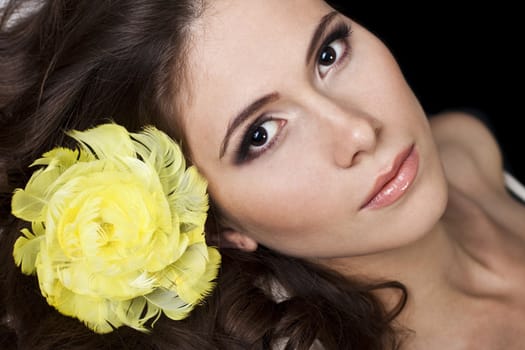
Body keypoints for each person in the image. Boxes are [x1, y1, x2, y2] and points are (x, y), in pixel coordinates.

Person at [1, 0, 524, 349]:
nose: (359, 132)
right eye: (260, 135)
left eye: (328, 53)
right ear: (215, 223)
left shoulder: (467, 144)